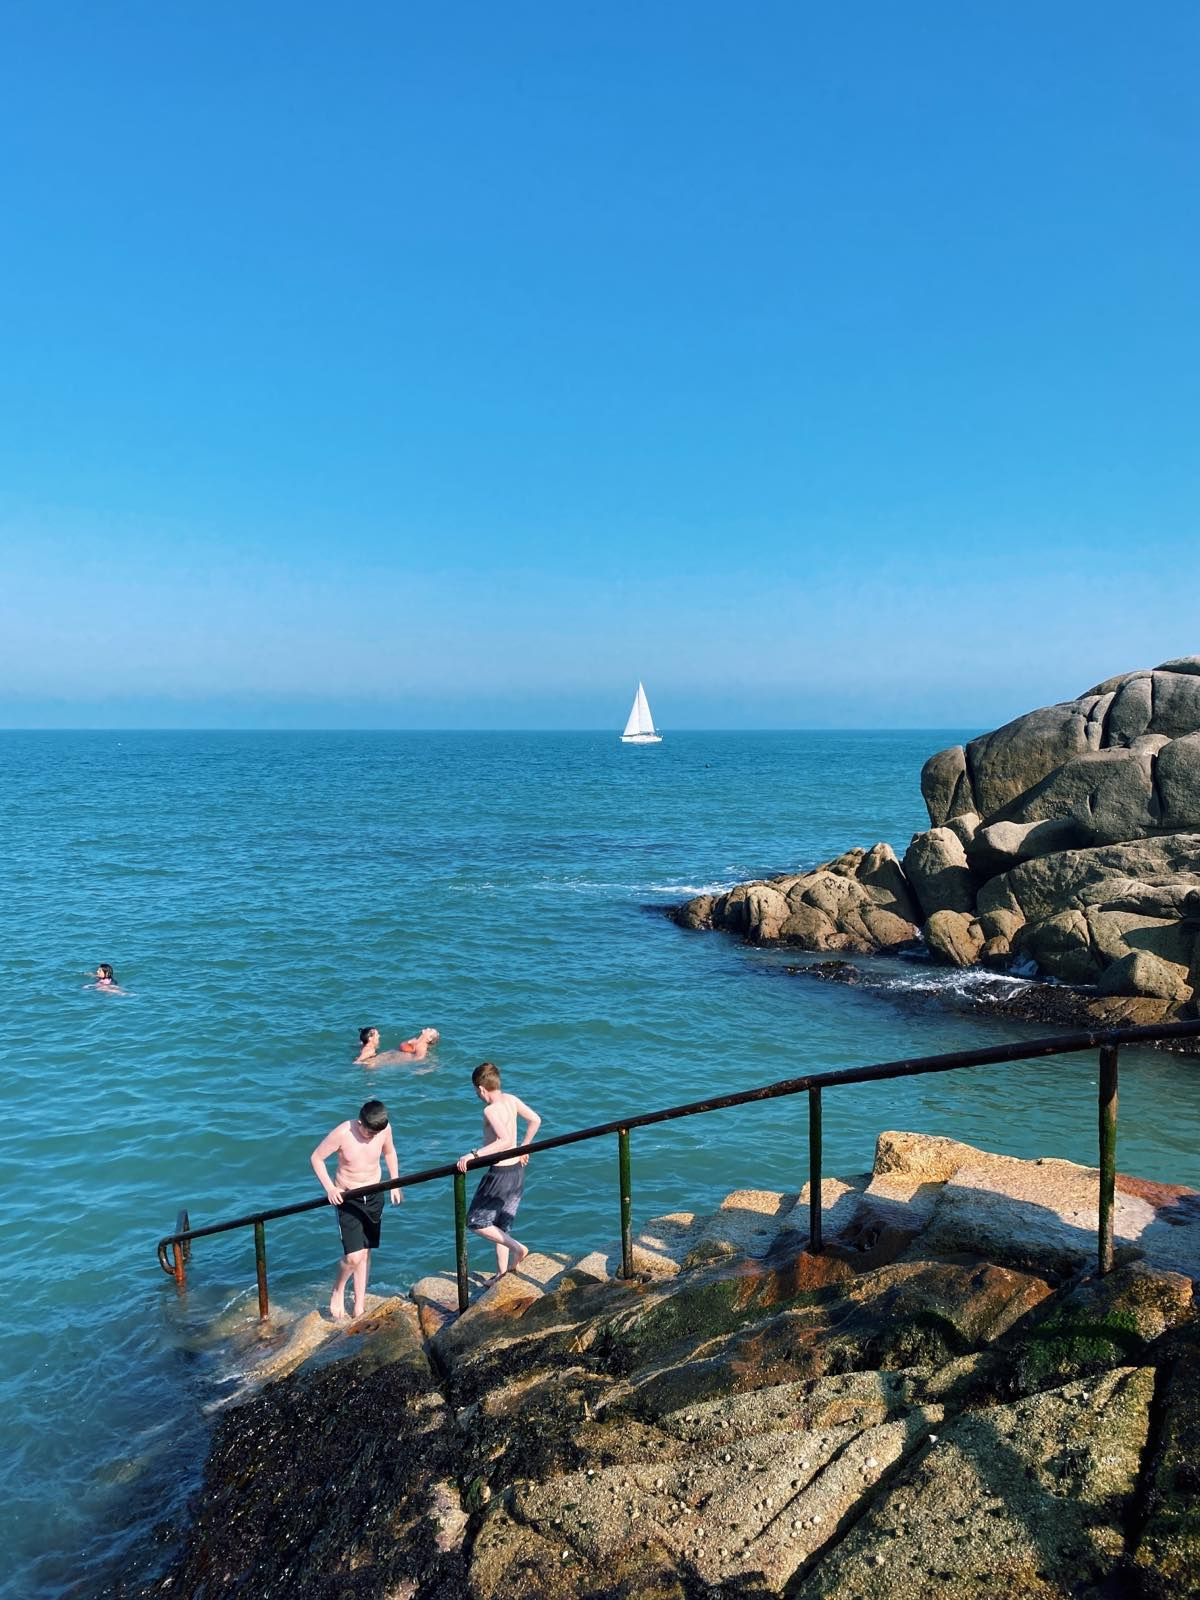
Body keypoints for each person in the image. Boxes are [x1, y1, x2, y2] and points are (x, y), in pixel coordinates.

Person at [310, 1099, 402, 1320]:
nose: (371, 1137)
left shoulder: (384, 1129)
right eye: (368, 1133)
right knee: (353, 1256)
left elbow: (389, 1153)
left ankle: (359, 1305)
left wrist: (395, 1182)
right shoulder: (343, 1132)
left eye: (374, 1134)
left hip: (374, 1194)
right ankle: (338, 1289)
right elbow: (316, 1158)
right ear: (360, 1122)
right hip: (348, 1197)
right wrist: (330, 1188)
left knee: (366, 1251)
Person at [456, 1062, 541, 1278]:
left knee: (475, 1222)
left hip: (500, 1175)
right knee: (499, 1226)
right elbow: (535, 1120)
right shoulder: (511, 1100)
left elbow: (503, 1140)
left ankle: (517, 1248)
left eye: (476, 1091)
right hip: (517, 1173)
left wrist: (473, 1155)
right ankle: (501, 1274)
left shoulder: (490, 1109)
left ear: (481, 1089)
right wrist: (524, 1147)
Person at [354, 1026, 440, 1065]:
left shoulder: (422, 1046)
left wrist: (357, 1062)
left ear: (429, 1039)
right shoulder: (416, 1042)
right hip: (387, 1056)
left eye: (430, 1030)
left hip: (380, 1061)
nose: (428, 1028)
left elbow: (419, 1058)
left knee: (370, 1052)